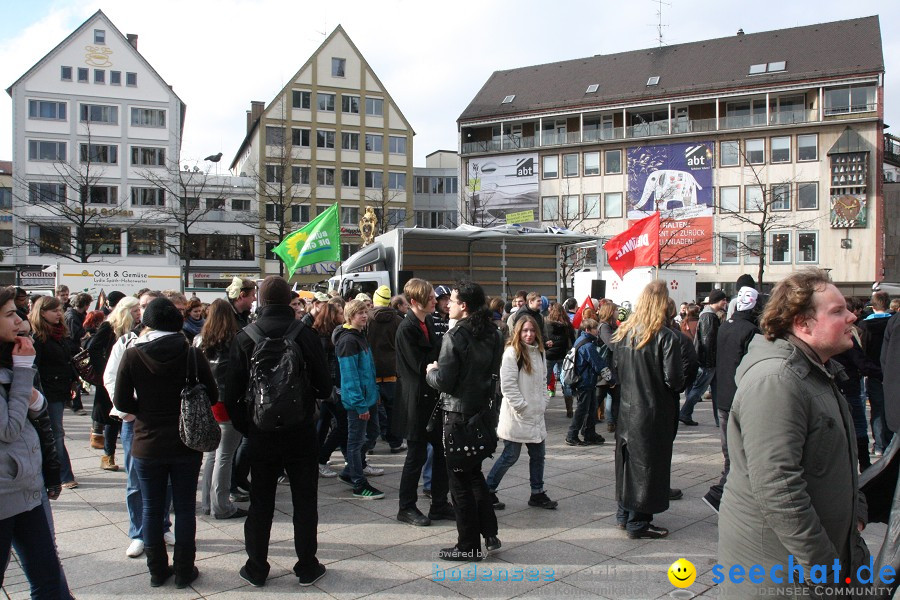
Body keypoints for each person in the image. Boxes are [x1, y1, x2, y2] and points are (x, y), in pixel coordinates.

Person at [718, 269, 869, 597]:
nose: (852, 316)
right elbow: (778, 487)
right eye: (837, 311)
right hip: (783, 576)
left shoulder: (815, 369)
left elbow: (832, 455)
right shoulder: (777, 381)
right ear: (803, 324)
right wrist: (824, 565)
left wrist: (855, 511)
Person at [225, 276, 331, 588]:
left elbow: (230, 394)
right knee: (305, 500)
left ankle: (257, 567)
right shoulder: (305, 334)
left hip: (261, 432)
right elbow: (325, 386)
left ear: (259, 299)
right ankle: (307, 566)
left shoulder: (245, 336)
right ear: (289, 300)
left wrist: (249, 427)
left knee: (261, 502)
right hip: (300, 431)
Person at [113, 297, 217, 589]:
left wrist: (145, 407)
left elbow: (121, 402)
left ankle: (157, 570)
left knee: (151, 508)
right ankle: (185, 570)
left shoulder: (133, 354)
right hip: (186, 441)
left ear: (148, 323)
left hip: (147, 441)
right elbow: (214, 394)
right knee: (184, 508)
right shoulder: (191, 354)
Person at [426, 280, 504, 561]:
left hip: (458, 416)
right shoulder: (494, 333)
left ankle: (468, 545)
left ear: (465, 306)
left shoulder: (455, 335)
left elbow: (445, 380)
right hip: (482, 414)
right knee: (473, 474)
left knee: (459, 481)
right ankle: (490, 533)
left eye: (454, 301)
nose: (448, 305)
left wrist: (431, 371)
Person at [0, 287, 70, 598]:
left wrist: (28, 385)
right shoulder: (19, 362)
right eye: (9, 314)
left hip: (27, 488)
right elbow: (9, 428)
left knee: (49, 579)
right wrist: (24, 372)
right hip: (5, 492)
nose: (20, 320)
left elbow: (37, 407)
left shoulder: (13, 355)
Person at [611, 280, 685, 539]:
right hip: (652, 410)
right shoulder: (665, 337)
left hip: (628, 409)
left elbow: (616, 371)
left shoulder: (624, 334)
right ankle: (638, 521)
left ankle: (624, 514)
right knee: (647, 465)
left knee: (628, 462)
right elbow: (674, 380)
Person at [394, 279, 454, 527]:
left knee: (441, 453)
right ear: (415, 302)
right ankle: (406, 507)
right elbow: (419, 366)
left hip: (432, 398)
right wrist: (436, 364)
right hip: (416, 401)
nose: (435, 299)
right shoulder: (406, 328)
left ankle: (439, 504)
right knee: (416, 456)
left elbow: (437, 352)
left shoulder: (428, 321)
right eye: (430, 297)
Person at [487, 315, 558, 510]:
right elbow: (508, 386)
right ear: (518, 332)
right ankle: (488, 490)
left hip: (535, 414)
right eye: (525, 330)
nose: (529, 334)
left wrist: (543, 402)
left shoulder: (540, 352)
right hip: (517, 416)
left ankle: (537, 492)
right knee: (510, 456)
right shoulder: (512, 353)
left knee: (538, 455)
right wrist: (522, 407)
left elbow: (544, 380)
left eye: (532, 330)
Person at [702, 286, 759, 513]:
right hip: (739, 397)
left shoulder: (725, 325)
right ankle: (722, 493)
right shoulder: (752, 331)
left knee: (730, 450)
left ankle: (727, 493)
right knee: (742, 450)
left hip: (724, 395)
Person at [196, 299, 248, 521]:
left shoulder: (200, 341)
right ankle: (221, 505)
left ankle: (208, 503)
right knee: (224, 455)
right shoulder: (236, 340)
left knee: (211, 455)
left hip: (209, 401)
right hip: (228, 403)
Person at [334, 299, 383, 499]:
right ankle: (358, 482)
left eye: (365, 312)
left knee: (372, 434)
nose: (363, 315)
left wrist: (375, 394)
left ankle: (349, 471)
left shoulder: (360, 336)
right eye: (358, 313)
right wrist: (360, 404)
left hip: (368, 398)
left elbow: (368, 370)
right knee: (355, 442)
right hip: (358, 402)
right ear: (350, 316)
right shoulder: (348, 341)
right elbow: (350, 377)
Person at [30, 296, 78, 489]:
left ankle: (60, 473)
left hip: (60, 389)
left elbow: (67, 360)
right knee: (55, 433)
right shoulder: (38, 337)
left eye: (60, 310)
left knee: (55, 432)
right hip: (47, 392)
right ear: (42, 312)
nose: (59, 314)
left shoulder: (59, 333)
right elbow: (34, 368)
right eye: (54, 311)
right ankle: (63, 475)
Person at [88, 297, 140, 472]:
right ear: (125, 311)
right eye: (134, 311)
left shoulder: (136, 328)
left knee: (120, 418)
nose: (138, 313)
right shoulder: (109, 326)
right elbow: (93, 347)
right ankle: (107, 455)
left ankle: (119, 454)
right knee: (111, 418)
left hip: (124, 377)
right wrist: (105, 369)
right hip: (110, 379)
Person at [679, 289, 728, 426]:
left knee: (714, 390)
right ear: (716, 301)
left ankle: (720, 419)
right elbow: (707, 342)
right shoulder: (708, 317)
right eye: (723, 300)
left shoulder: (709, 315)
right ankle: (685, 413)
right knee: (698, 389)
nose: (725, 302)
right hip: (708, 362)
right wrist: (709, 362)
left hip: (710, 361)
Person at [367, 285, 406, 453]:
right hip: (391, 370)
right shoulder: (398, 320)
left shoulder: (367, 319)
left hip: (372, 370)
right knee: (393, 410)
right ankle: (395, 442)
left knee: (372, 409)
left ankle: (369, 445)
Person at [314, 303, 347, 479]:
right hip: (331, 387)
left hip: (329, 387)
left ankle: (318, 459)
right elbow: (326, 365)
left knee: (324, 423)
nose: (343, 316)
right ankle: (321, 458)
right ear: (333, 316)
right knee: (343, 425)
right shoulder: (327, 337)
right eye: (341, 313)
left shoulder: (328, 333)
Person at [565, 319, 607, 446]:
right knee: (582, 409)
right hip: (584, 381)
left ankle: (589, 433)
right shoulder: (588, 345)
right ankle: (572, 435)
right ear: (588, 330)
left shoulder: (582, 340)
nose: (597, 332)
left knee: (591, 408)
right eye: (595, 329)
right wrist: (611, 379)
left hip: (585, 381)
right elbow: (598, 364)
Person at [860, 290, 892, 456]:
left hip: (873, 372)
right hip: (892, 372)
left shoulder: (865, 326)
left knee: (877, 409)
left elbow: (862, 351)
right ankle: (892, 441)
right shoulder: (893, 324)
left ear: (872, 306)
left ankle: (879, 445)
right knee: (892, 406)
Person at [543, 303, 574, 413]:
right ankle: (569, 409)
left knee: (544, 382)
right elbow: (573, 340)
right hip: (563, 356)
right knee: (566, 382)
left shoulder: (546, 323)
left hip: (549, 356)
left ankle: (542, 408)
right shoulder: (567, 325)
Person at [597, 302, 620, 431]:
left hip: (613, 369)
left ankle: (614, 423)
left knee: (616, 397)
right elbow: (612, 345)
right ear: (610, 312)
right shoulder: (604, 327)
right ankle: (584, 425)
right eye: (616, 310)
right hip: (605, 369)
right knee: (598, 398)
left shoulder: (612, 326)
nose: (618, 313)